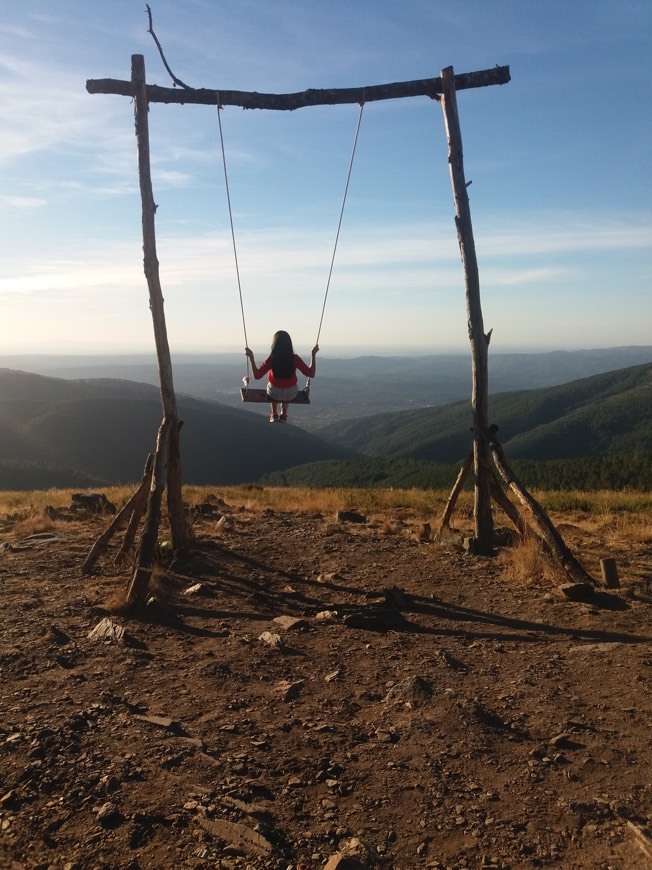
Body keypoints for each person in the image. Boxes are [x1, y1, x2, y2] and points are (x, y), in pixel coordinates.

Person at [245, 331, 319, 423]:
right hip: (291, 394)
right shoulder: (294, 358)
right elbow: (311, 373)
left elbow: (257, 375)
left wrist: (251, 357)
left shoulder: (272, 359)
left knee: (272, 385)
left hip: (274, 394)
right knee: (288, 385)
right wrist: (313, 354)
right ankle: (284, 414)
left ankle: (274, 413)